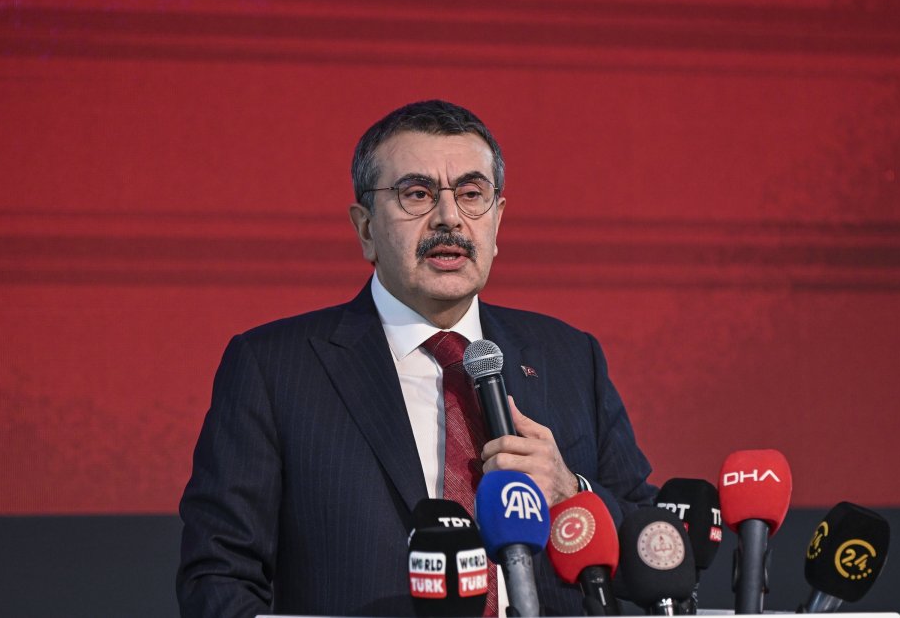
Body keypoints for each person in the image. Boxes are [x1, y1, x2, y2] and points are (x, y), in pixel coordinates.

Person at [177, 100, 656, 617]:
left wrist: (570, 493)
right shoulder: (273, 369)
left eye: (472, 194)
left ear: (498, 220)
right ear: (365, 228)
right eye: (417, 194)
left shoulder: (569, 357)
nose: (449, 217)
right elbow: (219, 579)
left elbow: (655, 560)